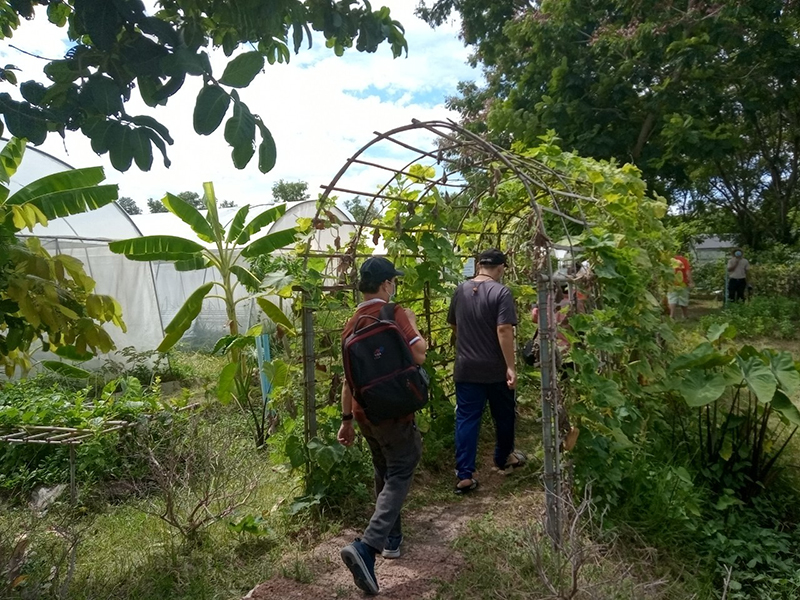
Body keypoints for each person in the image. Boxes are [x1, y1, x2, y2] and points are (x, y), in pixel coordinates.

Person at [337, 256, 427, 595]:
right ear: (387, 284)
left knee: (383, 472)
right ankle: (369, 546)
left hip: (365, 413)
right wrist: (414, 326)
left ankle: (392, 539)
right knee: (402, 468)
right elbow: (420, 354)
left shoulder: (352, 324)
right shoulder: (394, 313)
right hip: (396, 411)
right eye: (393, 282)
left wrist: (346, 421)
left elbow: (348, 380)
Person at [447, 248, 525, 495]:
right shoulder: (501, 292)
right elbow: (504, 329)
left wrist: (470, 341)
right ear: (501, 267)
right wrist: (510, 366)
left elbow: (454, 325)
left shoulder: (460, 290)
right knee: (503, 414)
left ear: (479, 265)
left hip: (466, 367)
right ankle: (503, 457)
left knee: (467, 418)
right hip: (495, 368)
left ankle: (465, 475)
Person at [668, 254, 693, 319]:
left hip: (671, 283)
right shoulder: (684, 260)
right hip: (683, 283)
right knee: (683, 299)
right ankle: (685, 315)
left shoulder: (669, 260)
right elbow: (687, 271)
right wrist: (690, 281)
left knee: (672, 299)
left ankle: (672, 315)